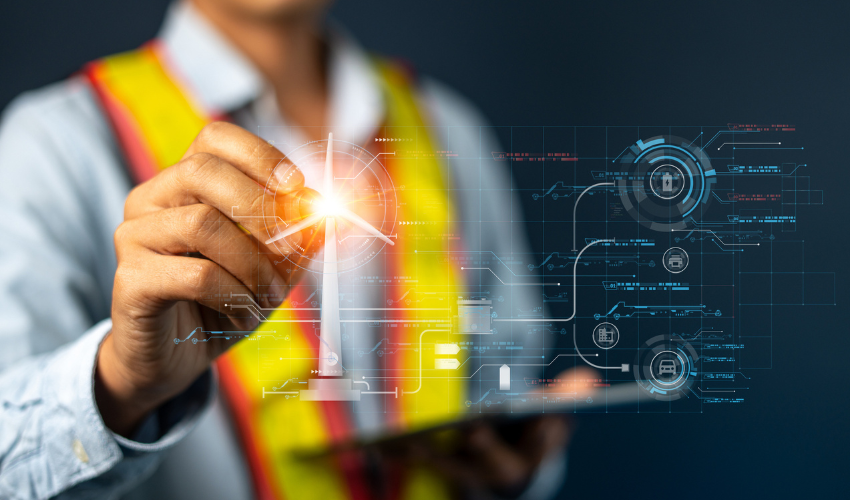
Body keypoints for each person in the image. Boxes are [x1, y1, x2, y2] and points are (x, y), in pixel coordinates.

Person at [0, 0, 594, 498]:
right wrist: (123, 382)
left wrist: (513, 463)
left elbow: (500, 370)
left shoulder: (448, 130)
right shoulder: (55, 146)